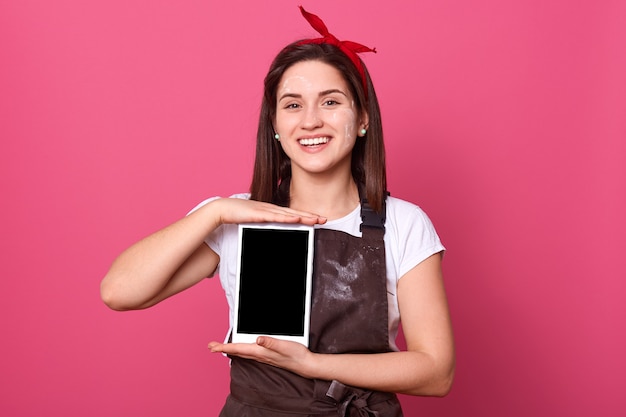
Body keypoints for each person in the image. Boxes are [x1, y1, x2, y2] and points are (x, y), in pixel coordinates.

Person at [101, 6, 455, 416]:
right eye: (292, 105)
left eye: (330, 101)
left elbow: (436, 372)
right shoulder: (236, 218)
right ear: (274, 124)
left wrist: (313, 364)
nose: (310, 121)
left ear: (361, 119)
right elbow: (119, 292)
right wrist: (214, 212)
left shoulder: (404, 224)